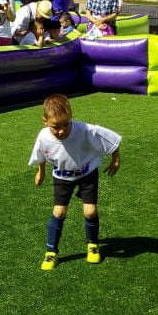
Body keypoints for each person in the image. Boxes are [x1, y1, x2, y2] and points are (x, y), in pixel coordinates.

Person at [30, 94, 121, 270]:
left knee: (90, 211)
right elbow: (41, 155)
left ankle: (93, 245)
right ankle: (51, 253)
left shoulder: (85, 130)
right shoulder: (43, 137)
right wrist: (40, 173)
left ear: (71, 117)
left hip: (87, 174)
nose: (62, 130)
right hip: (62, 177)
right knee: (59, 212)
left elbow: (111, 140)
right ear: (45, 121)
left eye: (66, 124)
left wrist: (115, 160)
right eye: (56, 127)